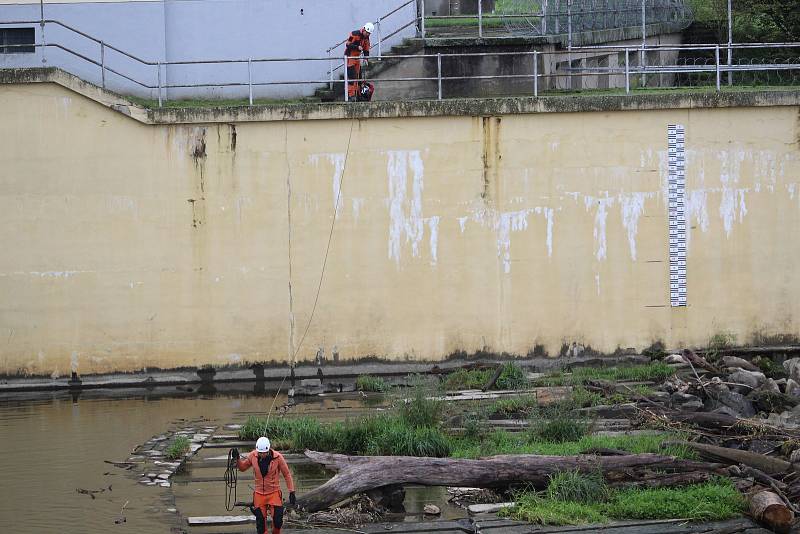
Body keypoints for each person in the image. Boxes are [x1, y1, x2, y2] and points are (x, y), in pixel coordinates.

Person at [231, 437, 296, 534]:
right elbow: (242, 467)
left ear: (268, 449)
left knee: (278, 522)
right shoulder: (253, 455)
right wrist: (237, 459)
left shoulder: (278, 457)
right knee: (261, 527)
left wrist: (292, 491)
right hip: (259, 494)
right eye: (260, 453)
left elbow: (287, 474)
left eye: (264, 453)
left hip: (274, 493)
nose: (262, 455)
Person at [345, 22, 373, 100]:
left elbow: (366, 49)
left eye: (369, 34)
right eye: (367, 33)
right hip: (350, 57)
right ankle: (351, 96)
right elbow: (348, 44)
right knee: (352, 77)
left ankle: (357, 95)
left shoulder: (366, 38)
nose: (368, 35)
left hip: (357, 58)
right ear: (364, 30)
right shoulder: (354, 34)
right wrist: (357, 47)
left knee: (358, 77)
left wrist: (366, 58)